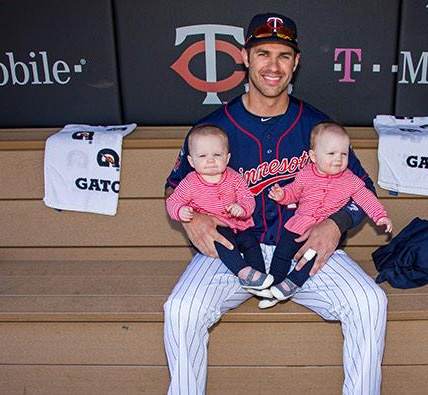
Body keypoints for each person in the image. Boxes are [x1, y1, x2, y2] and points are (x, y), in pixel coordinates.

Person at [163, 12, 387, 394]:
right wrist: (192, 219)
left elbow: (361, 192)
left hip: (303, 248)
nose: (273, 65)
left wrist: (335, 224)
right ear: (246, 58)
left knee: (370, 302)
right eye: (263, 53)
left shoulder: (317, 126)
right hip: (230, 249)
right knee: (182, 310)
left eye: (284, 55)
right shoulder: (214, 128)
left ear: (296, 63)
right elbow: (173, 189)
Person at [263, 121, 393, 306]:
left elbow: (366, 198)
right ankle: (274, 285)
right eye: (331, 154)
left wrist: (380, 215)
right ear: (314, 156)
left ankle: (291, 284)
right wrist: (282, 195)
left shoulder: (351, 180)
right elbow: (294, 192)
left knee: (312, 258)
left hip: (323, 231)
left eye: (344, 154)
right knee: (282, 252)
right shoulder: (305, 174)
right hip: (300, 223)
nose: (338, 159)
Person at [165, 124, 273, 291]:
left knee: (251, 243)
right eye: (202, 156)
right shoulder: (190, 182)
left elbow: (247, 197)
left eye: (217, 154)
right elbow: (173, 200)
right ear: (191, 161)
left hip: (239, 224)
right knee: (224, 244)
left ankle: (259, 276)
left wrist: (242, 208)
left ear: (227, 158)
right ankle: (243, 272)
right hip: (215, 226)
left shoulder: (234, 178)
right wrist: (180, 211)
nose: (210, 160)